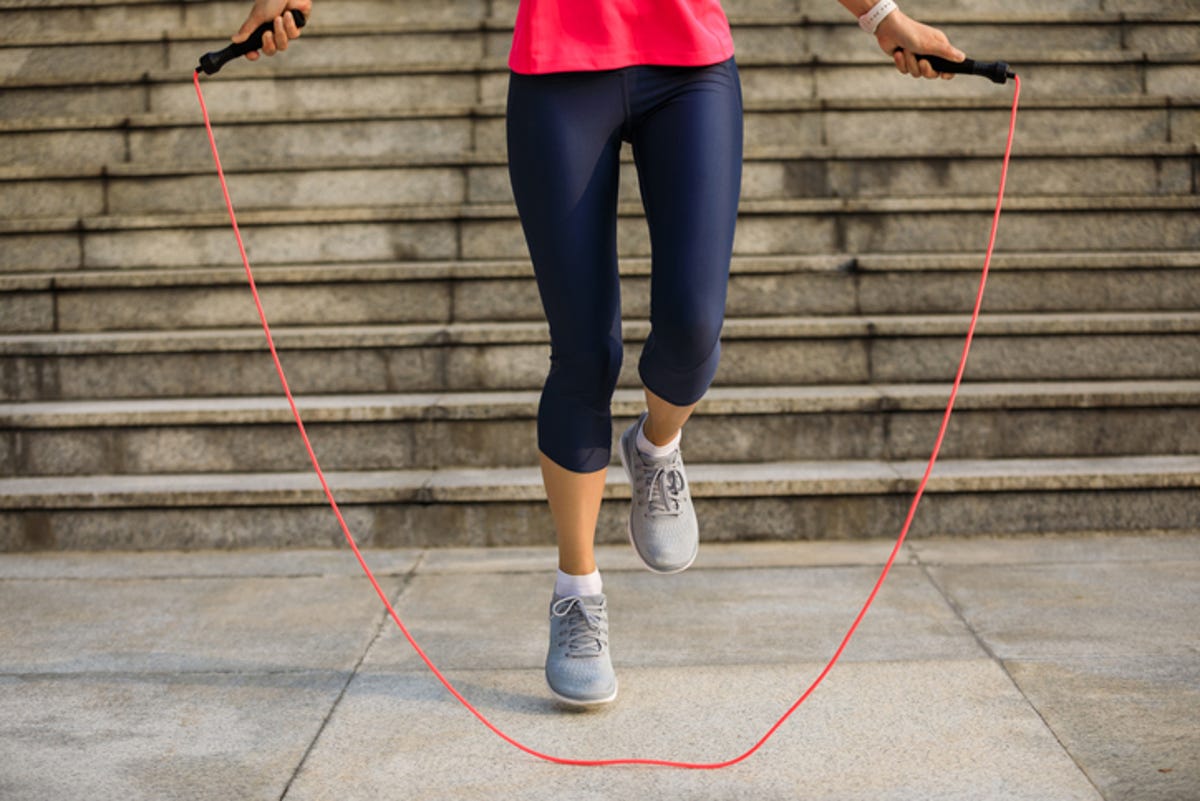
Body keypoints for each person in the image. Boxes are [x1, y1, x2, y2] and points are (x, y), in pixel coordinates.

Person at [231, 0, 965, 708]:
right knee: (584, 349)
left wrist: (881, 16)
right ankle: (577, 593)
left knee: (694, 325)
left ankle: (657, 444)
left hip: (690, 66)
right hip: (558, 69)